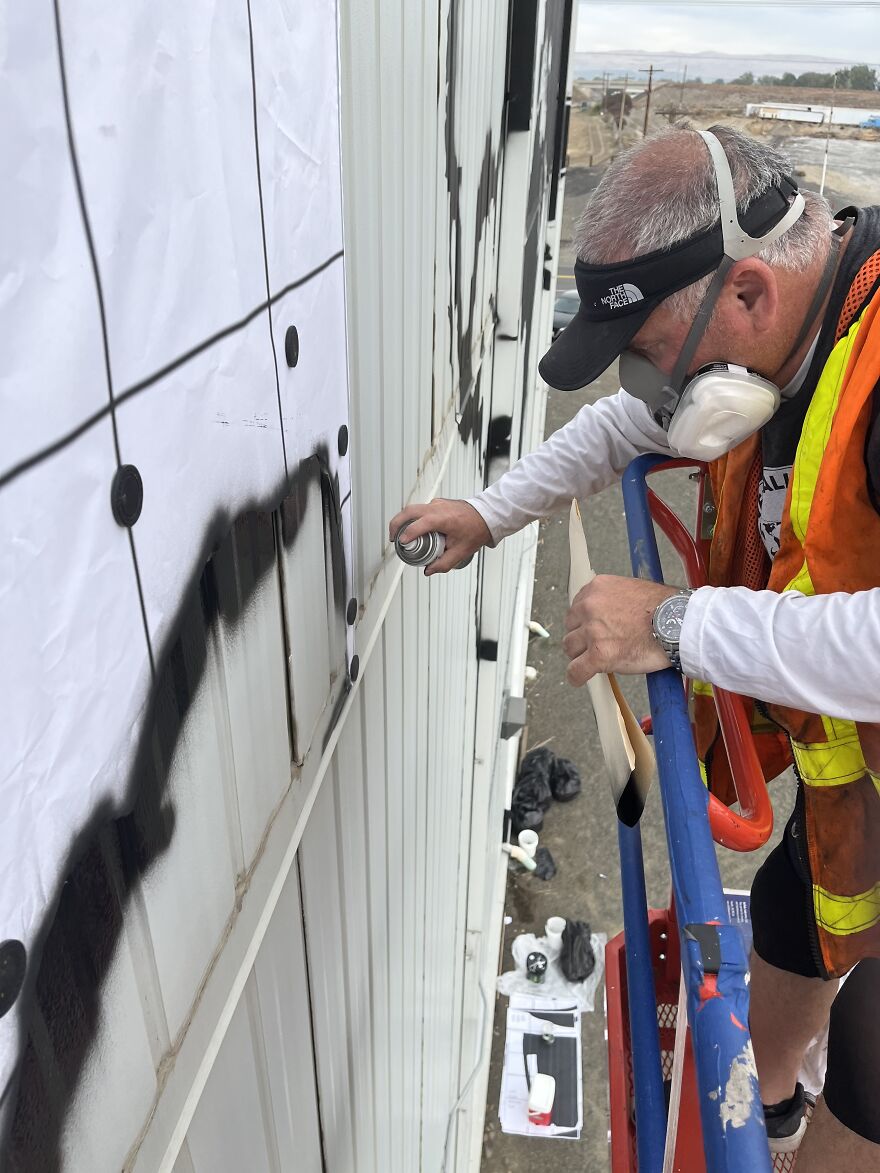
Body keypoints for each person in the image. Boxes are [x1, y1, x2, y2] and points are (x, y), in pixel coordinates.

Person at [389, 125, 880, 1166]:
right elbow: (634, 430)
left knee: (877, 1050)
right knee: (801, 902)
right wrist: (489, 511)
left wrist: (671, 623)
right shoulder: (794, 333)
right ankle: (775, 1107)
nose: (649, 394)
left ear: (745, 293)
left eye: (651, 357)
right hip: (863, 779)